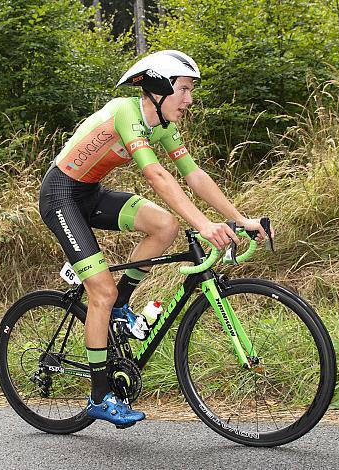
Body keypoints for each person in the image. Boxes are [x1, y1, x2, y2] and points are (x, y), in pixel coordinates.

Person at [38, 50, 271, 428]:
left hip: (91, 193)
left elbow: (193, 175)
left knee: (165, 226)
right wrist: (205, 224)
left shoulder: (161, 125)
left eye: (191, 91)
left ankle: (121, 305)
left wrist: (237, 219)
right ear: (158, 90)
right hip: (60, 196)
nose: (189, 99)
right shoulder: (126, 112)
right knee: (101, 290)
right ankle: (99, 395)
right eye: (183, 89)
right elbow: (157, 176)